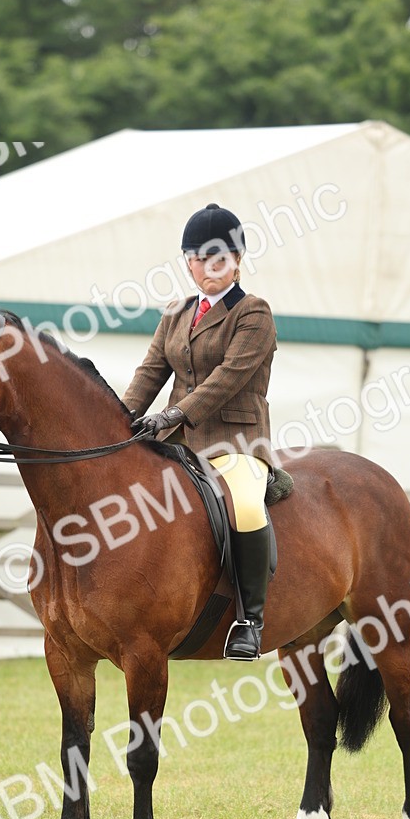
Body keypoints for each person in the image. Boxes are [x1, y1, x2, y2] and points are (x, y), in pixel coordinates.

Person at [122, 203, 277, 661]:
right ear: (188, 262)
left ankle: (250, 621)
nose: (206, 267)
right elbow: (149, 374)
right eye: (197, 257)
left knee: (245, 506)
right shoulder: (176, 313)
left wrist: (172, 414)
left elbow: (227, 379)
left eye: (217, 258)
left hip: (236, 442)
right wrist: (118, 420)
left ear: (236, 260)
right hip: (175, 441)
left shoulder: (253, 313)